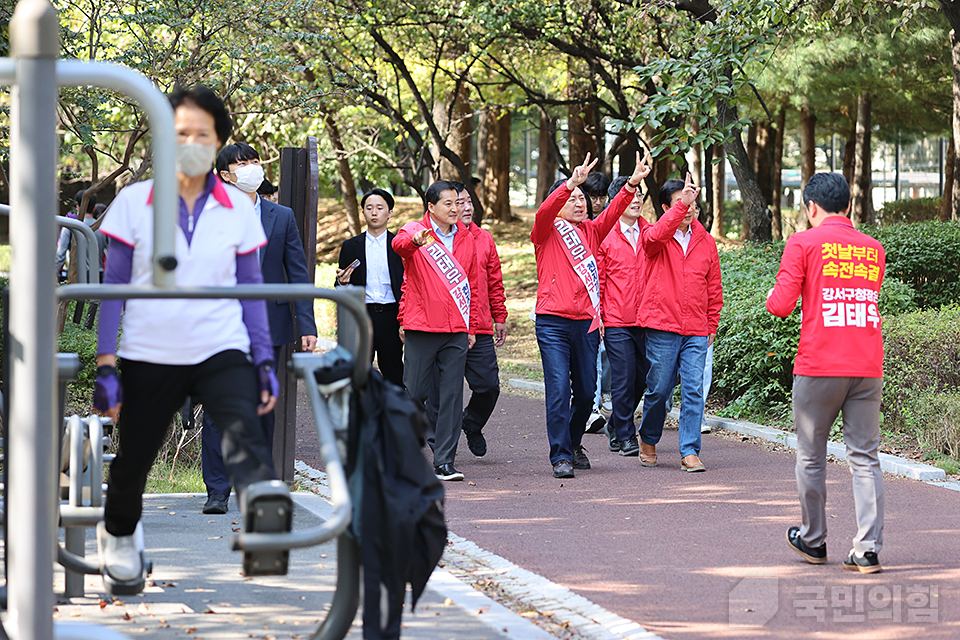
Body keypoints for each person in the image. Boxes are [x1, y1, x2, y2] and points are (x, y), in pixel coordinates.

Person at [94, 85, 289, 585]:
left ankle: (262, 521)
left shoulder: (238, 208)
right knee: (134, 457)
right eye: (181, 132)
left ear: (218, 141)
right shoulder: (136, 201)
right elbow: (114, 288)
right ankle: (118, 534)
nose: (191, 142)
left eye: (203, 134)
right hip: (149, 350)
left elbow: (251, 290)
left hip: (219, 345)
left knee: (244, 431)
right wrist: (107, 365)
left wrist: (263, 361)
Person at [767, 172, 886, 574]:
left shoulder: (802, 242)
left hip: (820, 364)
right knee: (866, 458)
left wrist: (771, 293)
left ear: (811, 208)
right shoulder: (873, 248)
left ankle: (814, 540)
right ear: (849, 206)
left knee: (812, 455)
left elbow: (781, 305)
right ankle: (867, 549)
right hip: (867, 364)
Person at [195, 141, 319, 515]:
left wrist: (306, 323)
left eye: (254, 161)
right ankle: (217, 489)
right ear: (225, 176)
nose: (252, 167)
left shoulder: (280, 216)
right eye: (242, 164)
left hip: (270, 326)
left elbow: (297, 271)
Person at [532, 152, 650, 479]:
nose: (579, 202)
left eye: (582, 198)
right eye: (572, 198)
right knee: (558, 388)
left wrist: (632, 184)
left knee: (586, 393)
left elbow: (612, 213)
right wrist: (570, 182)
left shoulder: (591, 232)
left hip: (585, 324)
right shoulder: (545, 230)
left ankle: (572, 442)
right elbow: (544, 211)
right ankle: (560, 455)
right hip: (553, 322)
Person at [393, 180, 481, 481]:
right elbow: (400, 247)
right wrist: (416, 241)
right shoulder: (414, 230)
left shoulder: (468, 238)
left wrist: (471, 326)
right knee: (414, 391)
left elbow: (472, 285)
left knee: (452, 396)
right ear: (431, 207)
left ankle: (445, 460)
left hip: (456, 328)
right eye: (449, 203)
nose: (456, 208)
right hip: (422, 325)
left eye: (458, 202)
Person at [636, 174, 721, 472]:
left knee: (694, 389)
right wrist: (679, 207)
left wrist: (713, 323)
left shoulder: (706, 241)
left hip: (696, 328)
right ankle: (648, 437)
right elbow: (651, 239)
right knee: (659, 389)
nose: (689, 210)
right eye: (682, 204)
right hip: (662, 324)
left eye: (693, 205)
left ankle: (689, 450)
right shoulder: (656, 236)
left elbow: (714, 286)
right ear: (666, 208)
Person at [452, 181, 508, 457]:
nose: (465, 207)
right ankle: (438, 444)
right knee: (438, 392)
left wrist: (500, 316)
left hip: (482, 325)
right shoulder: (438, 239)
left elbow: (495, 282)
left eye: (469, 201)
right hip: (447, 327)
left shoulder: (484, 238)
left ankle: (471, 423)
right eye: (459, 202)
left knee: (488, 387)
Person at [597, 181, 650, 457]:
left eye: (640, 195)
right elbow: (600, 280)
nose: (636, 199)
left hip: (647, 320)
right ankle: (628, 437)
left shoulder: (651, 233)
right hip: (617, 319)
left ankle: (616, 422)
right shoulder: (605, 235)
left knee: (644, 376)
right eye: (630, 195)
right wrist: (601, 315)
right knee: (624, 376)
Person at [336, 188, 405, 387]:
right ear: (363, 212)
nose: (374, 213)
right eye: (369, 208)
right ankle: (359, 415)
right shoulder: (351, 246)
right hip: (361, 315)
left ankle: (393, 414)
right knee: (358, 370)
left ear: (389, 212)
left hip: (391, 315)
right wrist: (342, 282)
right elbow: (340, 284)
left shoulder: (399, 245)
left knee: (393, 371)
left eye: (379, 208)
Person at [57, 189, 108, 282]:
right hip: (100, 275)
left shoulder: (70, 226)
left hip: (78, 275)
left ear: (77, 207)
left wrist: (54, 273)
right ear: (94, 208)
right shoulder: (103, 228)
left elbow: (61, 254)